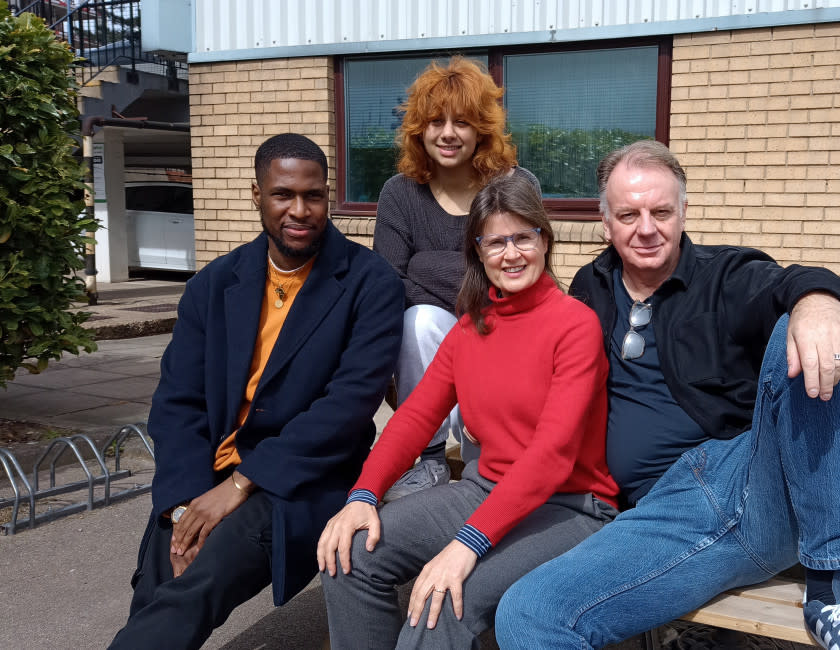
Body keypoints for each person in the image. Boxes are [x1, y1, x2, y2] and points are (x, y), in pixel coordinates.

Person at [495, 140, 840, 650]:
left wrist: (819, 301)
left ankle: (836, 587)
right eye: (628, 214)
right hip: (651, 519)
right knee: (528, 615)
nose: (646, 228)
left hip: (740, 484)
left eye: (661, 211)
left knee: (808, 325)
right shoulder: (589, 286)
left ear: (684, 212)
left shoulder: (726, 276)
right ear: (605, 222)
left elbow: (790, 283)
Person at [108, 133, 405, 649]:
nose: (300, 210)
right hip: (206, 472)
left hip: (301, 478)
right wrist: (183, 505)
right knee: (164, 569)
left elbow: (347, 407)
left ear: (327, 196)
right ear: (256, 195)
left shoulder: (370, 283)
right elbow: (179, 402)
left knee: (203, 576)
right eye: (282, 194)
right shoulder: (215, 283)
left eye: (313, 196)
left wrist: (239, 486)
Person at [317, 173, 618, 649]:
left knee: (440, 601)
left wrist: (468, 542)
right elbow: (415, 418)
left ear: (545, 240)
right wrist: (363, 495)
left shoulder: (575, 325)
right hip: (483, 488)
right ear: (478, 252)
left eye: (523, 236)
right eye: (495, 241)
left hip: (570, 506)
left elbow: (552, 454)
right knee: (350, 553)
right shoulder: (470, 328)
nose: (511, 253)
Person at [374, 55, 540, 501]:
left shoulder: (513, 185)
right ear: (419, 129)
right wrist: (470, 273)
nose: (448, 134)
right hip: (435, 341)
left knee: (477, 330)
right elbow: (389, 283)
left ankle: (478, 464)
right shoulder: (400, 192)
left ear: (481, 129)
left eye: (462, 122)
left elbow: (516, 279)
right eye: (436, 122)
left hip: (502, 332)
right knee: (419, 321)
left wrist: (425, 265)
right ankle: (428, 460)